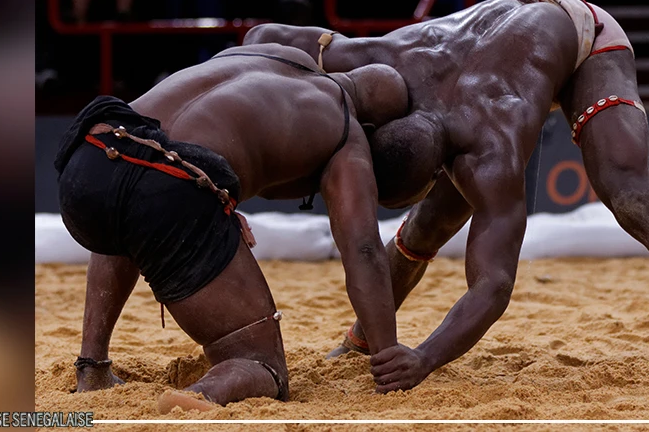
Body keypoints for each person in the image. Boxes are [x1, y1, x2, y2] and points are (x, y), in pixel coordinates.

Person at [244, 0, 649, 394]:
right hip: (501, 32)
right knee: (426, 226)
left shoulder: (490, 149)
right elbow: (260, 38)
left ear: (440, 168)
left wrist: (424, 358)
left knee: (630, 196)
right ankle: (364, 340)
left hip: (585, 37)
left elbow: (493, 286)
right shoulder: (382, 58)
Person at [55, 43, 412, 411]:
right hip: (165, 191)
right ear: (372, 127)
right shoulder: (346, 131)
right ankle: (201, 395)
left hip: (92, 151)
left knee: (129, 204)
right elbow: (364, 248)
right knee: (264, 366)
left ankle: (92, 368)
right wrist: (387, 357)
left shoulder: (275, 50)